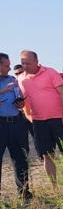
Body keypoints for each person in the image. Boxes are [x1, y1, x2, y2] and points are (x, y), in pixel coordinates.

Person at [17, 49, 63, 185]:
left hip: (59, 119)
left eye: (28, 63)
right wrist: (29, 116)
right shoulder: (21, 79)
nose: (25, 66)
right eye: (23, 63)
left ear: (36, 62)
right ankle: (54, 186)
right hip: (39, 123)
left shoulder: (50, 72)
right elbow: (24, 101)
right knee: (47, 155)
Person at [0, 53, 31, 199]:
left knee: (20, 158)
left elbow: (20, 101)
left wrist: (20, 103)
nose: (10, 68)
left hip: (16, 123)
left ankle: (23, 190)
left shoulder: (13, 80)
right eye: (6, 66)